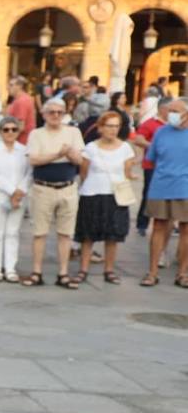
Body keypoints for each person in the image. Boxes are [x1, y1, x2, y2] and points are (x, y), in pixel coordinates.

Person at [23, 97, 86, 288]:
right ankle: (36, 272)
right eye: (52, 112)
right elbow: (33, 160)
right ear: (44, 114)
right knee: (39, 232)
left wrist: (69, 153)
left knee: (65, 233)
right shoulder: (36, 134)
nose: (56, 116)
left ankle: (63, 273)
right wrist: (57, 155)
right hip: (43, 188)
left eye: (60, 112)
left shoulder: (73, 132)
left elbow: (79, 160)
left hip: (67, 187)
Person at [73, 111, 136, 284]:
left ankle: (109, 270)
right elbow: (84, 172)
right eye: (109, 126)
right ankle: (83, 269)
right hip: (92, 194)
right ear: (101, 128)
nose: (113, 130)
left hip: (115, 196)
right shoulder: (91, 148)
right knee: (88, 235)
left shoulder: (125, 148)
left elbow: (127, 172)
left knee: (112, 235)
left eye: (116, 126)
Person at [142, 97, 188, 287]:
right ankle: (152, 272)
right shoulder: (161, 132)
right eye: (170, 111)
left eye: (176, 111)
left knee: (186, 229)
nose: (171, 115)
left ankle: (182, 273)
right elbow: (151, 158)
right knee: (158, 227)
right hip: (160, 186)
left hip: (185, 187)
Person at [0, 116, 31, 282]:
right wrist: (12, 190)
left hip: (19, 196)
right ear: (0, 132)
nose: (10, 132)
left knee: (13, 232)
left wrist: (20, 191)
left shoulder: (24, 151)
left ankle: (10, 268)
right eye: (6, 129)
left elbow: (29, 173)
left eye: (14, 129)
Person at [130, 96, 168, 237]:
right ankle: (142, 223)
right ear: (162, 109)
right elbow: (138, 139)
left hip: (169, 167)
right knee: (149, 194)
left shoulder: (174, 126)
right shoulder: (150, 123)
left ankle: (170, 223)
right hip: (151, 165)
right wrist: (153, 146)